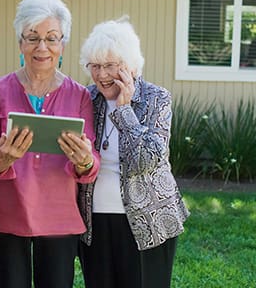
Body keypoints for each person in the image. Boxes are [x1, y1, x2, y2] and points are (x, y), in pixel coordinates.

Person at [0, 0, 100, 288]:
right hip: (6, 213)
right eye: (32, 37)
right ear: (20, 42)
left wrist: (84, 160)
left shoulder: (80, 95)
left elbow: (91, 163)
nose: (41, 47)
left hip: (59, 216)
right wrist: (2, 160)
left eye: (51, 38)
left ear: (63, 44)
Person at [77, 17, 190, 288]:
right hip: (95, 221)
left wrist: (124, 111)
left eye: (109, 66)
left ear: (129, 66)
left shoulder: (156, 98)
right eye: (95, 66)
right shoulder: (86, 98)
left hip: (149, 219)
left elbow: (148, 159)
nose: (101, 75)